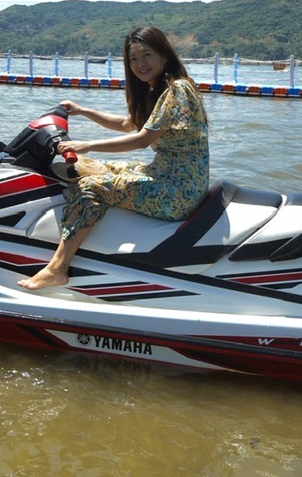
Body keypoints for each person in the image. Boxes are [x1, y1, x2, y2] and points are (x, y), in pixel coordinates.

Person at [20, 26, 209, 290]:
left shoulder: (177, 89)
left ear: (164, 55)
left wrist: (87, 145)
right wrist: (82, 110)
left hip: (178, 191)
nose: (140, 64)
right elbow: (126, 124)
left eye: (147, 55)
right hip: (164, 173)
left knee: (92, 185)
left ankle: (57, 268)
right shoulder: (160, 90)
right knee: (88, 166)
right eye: (134, 59)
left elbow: (142, 139)